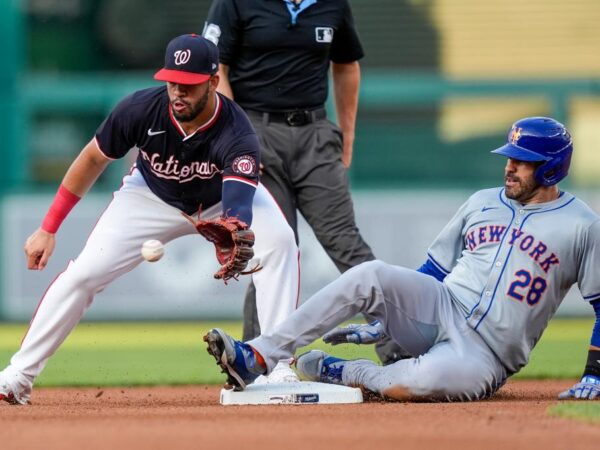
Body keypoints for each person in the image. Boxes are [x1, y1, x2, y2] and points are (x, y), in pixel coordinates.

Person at [204, 117, 600, 401]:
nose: (509, 166)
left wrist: (595, 374)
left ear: (550, 168)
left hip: (486, 353)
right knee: (371, 275)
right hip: (443, 304)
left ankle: (342, 371)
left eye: (522, 160)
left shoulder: (581, 225)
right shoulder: (482, 202)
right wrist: (386, 319)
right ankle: (257, 355)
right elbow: (433, 272)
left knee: (416, 384)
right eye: (509, 156)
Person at [0, 34, 300, 405]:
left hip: (218, 201)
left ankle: (277, 364)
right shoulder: (140, 109)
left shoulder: (237, 133)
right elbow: (93, 159)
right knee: (83, 275)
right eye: (173, 81)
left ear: (213, 82)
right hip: (149, 196)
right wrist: (49, 227)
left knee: (281, 242)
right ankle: (18, 376)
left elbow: (238, 204)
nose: (178, 92)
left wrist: (233, 229)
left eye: (189, 85)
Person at [202, 0, 406, 363]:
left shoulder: (332, 4)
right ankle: (254, 361)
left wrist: (347, 135)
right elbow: (217, 72)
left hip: (314, 132)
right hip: (255, 131)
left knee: (347, 245)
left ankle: (400, 352)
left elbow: (346, 66)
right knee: (275, 248)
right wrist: (237, 140)